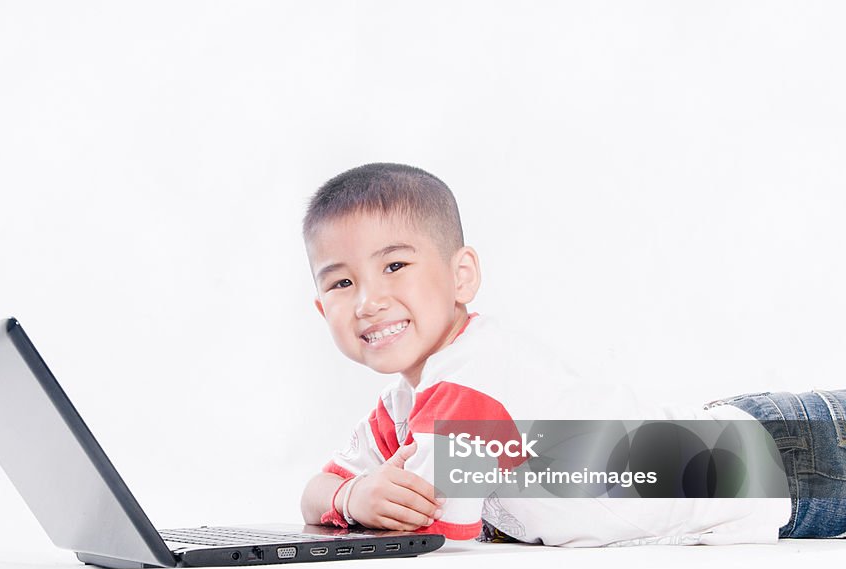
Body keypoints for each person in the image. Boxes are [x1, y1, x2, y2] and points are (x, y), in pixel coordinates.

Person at [298, 162, 846, 545]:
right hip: (756, 471)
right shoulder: (406, 403)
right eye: (342, 283)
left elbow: (432, 527)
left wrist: (361, 498)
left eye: (395, 266)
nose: (369, 301)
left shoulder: (474, 378)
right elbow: (315, 491)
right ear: (322, 311)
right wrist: (352, 496)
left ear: (461, 276)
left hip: (787, 463)